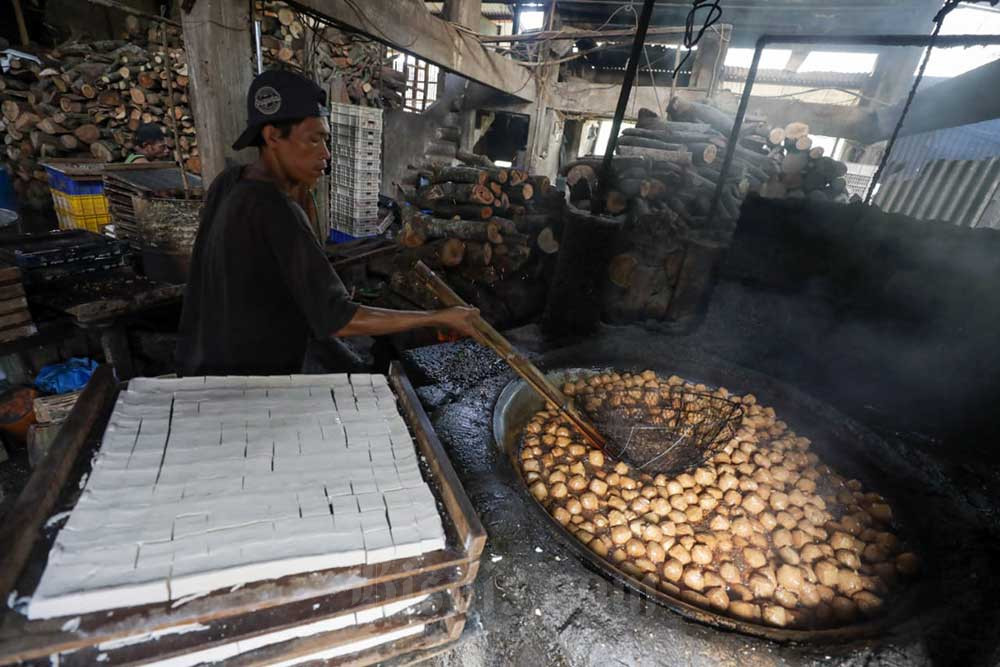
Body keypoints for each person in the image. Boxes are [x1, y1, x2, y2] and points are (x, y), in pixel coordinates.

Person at [175, 70, 478, 376]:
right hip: (244, 386)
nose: (326, 154)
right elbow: (340, 318)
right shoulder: (274, 209)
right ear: (272, 137)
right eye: (314, 140)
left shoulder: (229, 181)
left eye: (326, 140)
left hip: (200, 366)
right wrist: (439, 317)